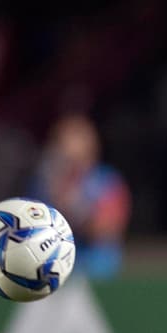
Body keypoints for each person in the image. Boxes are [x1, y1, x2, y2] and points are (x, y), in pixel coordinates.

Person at [31, 114, 131, 281]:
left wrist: (73, 205)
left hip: (97, 272)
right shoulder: (43, 184)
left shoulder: (107, 180)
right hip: (50, 273)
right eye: (61, 146)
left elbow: (109, 228)